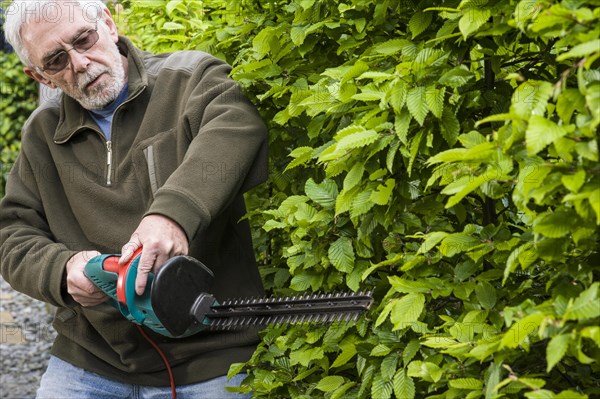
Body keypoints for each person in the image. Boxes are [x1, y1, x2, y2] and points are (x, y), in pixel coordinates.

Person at [0, 1, 268, 398]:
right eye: (56, 60)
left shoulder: (190, 77)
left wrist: (173, 215)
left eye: (83, 39)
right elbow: (11, 234)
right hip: (90, 360)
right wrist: (63, 270)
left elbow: (237, 126)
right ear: (40, 76)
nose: (80, 63)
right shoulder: (41, 133)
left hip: (213, 354)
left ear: (107, 23)